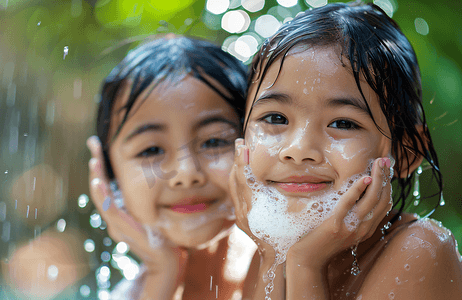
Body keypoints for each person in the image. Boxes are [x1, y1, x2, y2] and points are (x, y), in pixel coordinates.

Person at [229, 3, 462, 300]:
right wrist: (274, 257)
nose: (299, 150)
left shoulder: (422, 248)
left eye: (342, 123)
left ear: (405, 153)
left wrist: (305, 266)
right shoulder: (267, 250)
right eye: (276, 118)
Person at [86, 35, 259, 300]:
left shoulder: (296, 269)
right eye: (151, 150)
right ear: (109, 172)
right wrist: (162, 272)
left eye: (213, 142)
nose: (186, 173)